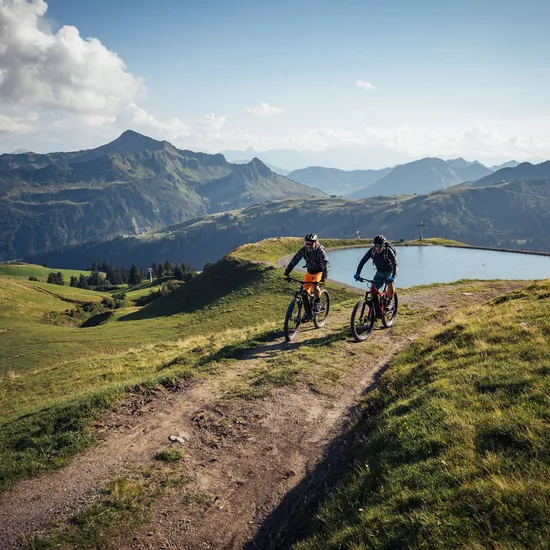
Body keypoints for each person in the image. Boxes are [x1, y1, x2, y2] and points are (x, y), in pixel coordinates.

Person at [283, 233, 329, 313]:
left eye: (310, 244)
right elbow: (294, 261)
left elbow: (325, 264)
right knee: (304, 291)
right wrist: (286, 273)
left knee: (315, 286)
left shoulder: (320, 251)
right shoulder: (303, 250)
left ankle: (317, 302)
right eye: (307, 244)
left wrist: (323, 278)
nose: (308, 246)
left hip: (319, 272)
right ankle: (308, 312)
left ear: (315, 242)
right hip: (309, 272)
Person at [353, 235, 398, 303]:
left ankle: (389, 302)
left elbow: (395, 264)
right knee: (373, 291)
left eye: (379, 246)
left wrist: (393, 276)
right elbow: (362, 261)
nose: (377, 248)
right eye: (376, 246)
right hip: (379, 273)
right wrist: (357, 273)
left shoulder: (388, 251)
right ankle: (376, 308)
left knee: (390, 284)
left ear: (383, 245)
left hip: (389, 272)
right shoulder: (372, 251)